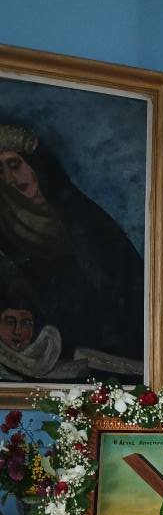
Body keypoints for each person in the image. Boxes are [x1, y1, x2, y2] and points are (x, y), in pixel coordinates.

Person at [0, 123, 144, 378]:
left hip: (113, 344)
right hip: (53, 349)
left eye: (14, 165)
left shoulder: (83, 217)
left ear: (36, 165)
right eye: (0, 172)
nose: (10, 178)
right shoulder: (7, 229)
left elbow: (127, 282)